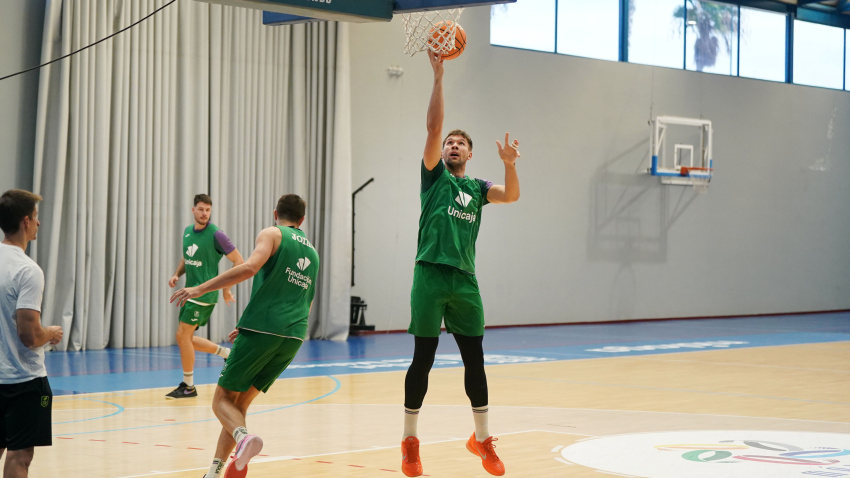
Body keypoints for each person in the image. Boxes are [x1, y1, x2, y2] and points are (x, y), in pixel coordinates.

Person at [400, 50, 522, 477]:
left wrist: (509, 166)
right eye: (449, 142)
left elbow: (511, 196)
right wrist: (438, 75)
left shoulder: (477, 185)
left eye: (460, 143)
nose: (452, 145)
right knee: (424, 359)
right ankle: (410, 443)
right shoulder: (434, 178)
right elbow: (433, 126)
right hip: (430, 274)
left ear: (469, 153)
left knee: (476, 361)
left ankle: (482, 440)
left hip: (465, 281)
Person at [170, 194, 319, 478]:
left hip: (264, 328)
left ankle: (243, 439)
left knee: (221, 400)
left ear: (275, 213)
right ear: (302, 220)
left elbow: (249, 267)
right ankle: (216, 472)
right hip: (294, 335)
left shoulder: (272, 233)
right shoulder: (312, 252)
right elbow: (306, 301)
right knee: (239, 404)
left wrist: (200, 288)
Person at [0, 189, 64, 477]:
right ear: (25, 221)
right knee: (20, 455)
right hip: (22, 381)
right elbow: (28, 334)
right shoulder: (28, 270)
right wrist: (50, 333)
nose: (39, 224)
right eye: (36, 218)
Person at [166, 194, 244, 399]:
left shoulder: (216, 234)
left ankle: (189, 386)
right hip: (189, 292)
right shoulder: (187, 233)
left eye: (208, 210)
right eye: (201, 209)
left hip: (205, 293)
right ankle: (227, 354)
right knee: (187, 338)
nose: (204, 214)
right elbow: (188, 256)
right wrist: (176, 274)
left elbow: (239, 261)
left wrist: (226, 288)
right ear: (193, 210)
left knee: (182, 335)